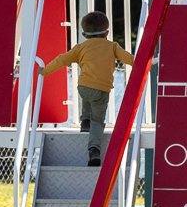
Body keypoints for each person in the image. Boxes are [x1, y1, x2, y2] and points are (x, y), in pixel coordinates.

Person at [40, 10, 131, 166]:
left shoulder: (80, 47)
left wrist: (44, 71)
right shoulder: (112, 46)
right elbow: (128, 58)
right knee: (98, 120)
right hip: (101, 90)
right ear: (107, 32)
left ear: (84, 33)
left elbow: (61, 60)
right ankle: (94, 149)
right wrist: (145, 65)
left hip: (83, 87)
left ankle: (84, 123)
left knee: (87, 100)